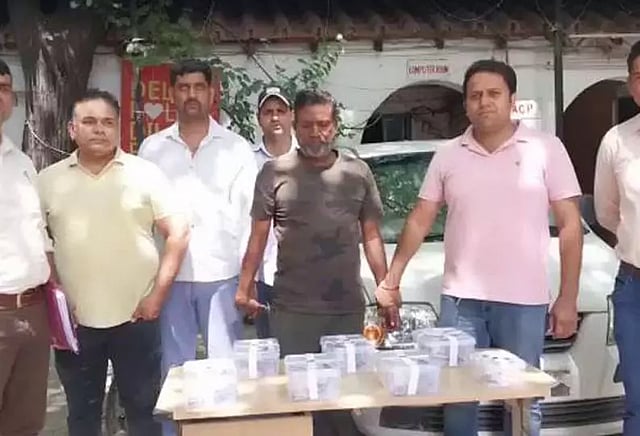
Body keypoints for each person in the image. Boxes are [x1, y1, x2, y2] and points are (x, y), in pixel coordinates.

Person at [375, 59, 583, 436]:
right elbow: (421, 218)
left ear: (512, 100)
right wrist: (392, 279)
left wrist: (568, 297)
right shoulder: (449, 154)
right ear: (466, 104)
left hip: (524, 301)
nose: (484, 102)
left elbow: (570, 225)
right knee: (458, 398)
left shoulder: (546, 149)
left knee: (523, 402)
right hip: (462, 303)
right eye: (475, 95)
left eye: (493, 94)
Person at [235, 89, 394, 436]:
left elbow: (371, 236)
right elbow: (258, 237)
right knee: (300, 402)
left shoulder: (357, 172)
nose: (316, 133)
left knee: (345, 400)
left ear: (335, 126)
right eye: (307, 125)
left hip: (345, 308)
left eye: (323, 125)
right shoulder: (274, 172)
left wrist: (386, 288)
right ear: (295, 125)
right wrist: (244, 287)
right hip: (293, 310)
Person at [38, 89, 189, 436]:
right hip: (76, 324)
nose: (99, 129)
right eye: (89, 122)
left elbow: (178, 233)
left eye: (108, 122)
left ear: (118, 127)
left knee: (144, 414)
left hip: (136, 318)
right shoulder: (48, 180)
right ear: (72, 129)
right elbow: (37, 242)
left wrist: (157, 297)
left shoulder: (145, 174)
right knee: (82, 416)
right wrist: (56, 297)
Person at [137, 57, 256, 406]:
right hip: (170, 278)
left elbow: (249, 218)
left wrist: (246, 280)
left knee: (226, 371)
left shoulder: (236, 148)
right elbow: (143, 216)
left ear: (212, 93)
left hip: (222, 276)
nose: (192, 95)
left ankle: (225, 429)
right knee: (175, 372)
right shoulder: (153, 148)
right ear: (172, 93)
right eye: (184, 87)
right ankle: (175, 431)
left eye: (199, 87)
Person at [0, 58, 53, 436]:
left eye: (4, 89)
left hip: (33, 312)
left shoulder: (21, 162)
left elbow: (39, 233)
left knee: (24, 423)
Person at [594, 40, 640, 436]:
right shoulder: (617, 141)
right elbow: (607, 212)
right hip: (634, 286)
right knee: (638, 401)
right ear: (630, 83)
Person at [251, 85, 297, 338]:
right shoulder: (247, 161)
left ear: (292, 115)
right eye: (268, 112)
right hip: (264, 275)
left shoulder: (310, 157)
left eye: (281, 110)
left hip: (307, 273)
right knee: (269, 346)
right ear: (259, 119)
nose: (275, 117)